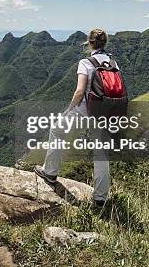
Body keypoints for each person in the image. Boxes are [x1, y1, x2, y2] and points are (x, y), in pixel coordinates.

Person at [34, 28, 116, 206]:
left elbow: (80, 91)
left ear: (90, 43)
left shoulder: (85, 63)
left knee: (57, 129)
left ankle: (50, 172)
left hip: (85, 110)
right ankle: (100, 198)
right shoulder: (113, 62)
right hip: (106, 112)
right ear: (105, 43)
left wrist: (69, 109)